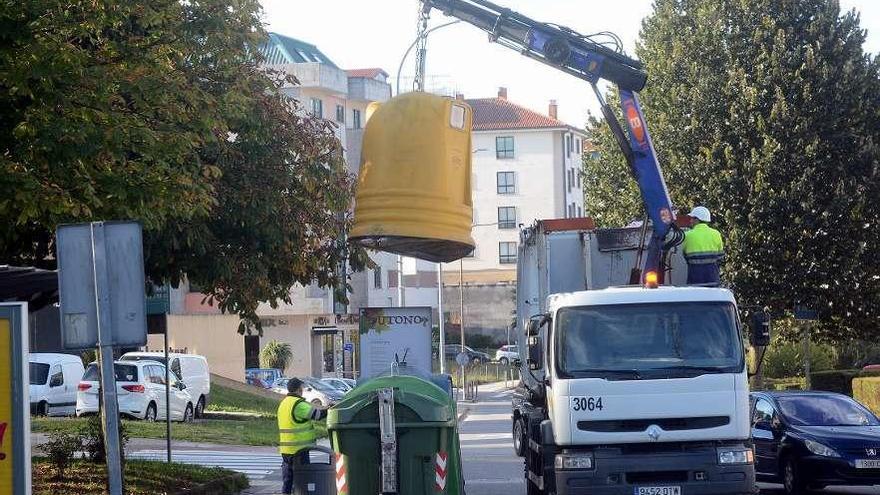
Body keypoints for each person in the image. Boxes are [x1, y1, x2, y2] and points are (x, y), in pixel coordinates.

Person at [278, 377, 327, 495]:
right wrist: (331, 409)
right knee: (303, 481)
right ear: (299, 389)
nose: (303, 390)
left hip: (286, 450)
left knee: (288, 481)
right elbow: (317, 415)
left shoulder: (284, 403)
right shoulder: (298, 404)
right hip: (299, 450)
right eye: (302, 388)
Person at [682, 206, 724, 285]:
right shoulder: (716, 234)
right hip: (713, 279)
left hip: (694, 279)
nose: (690, 221)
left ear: (697, 219)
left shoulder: (687, 235)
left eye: (692, 218)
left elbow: (684, 255)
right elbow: (720, 257)